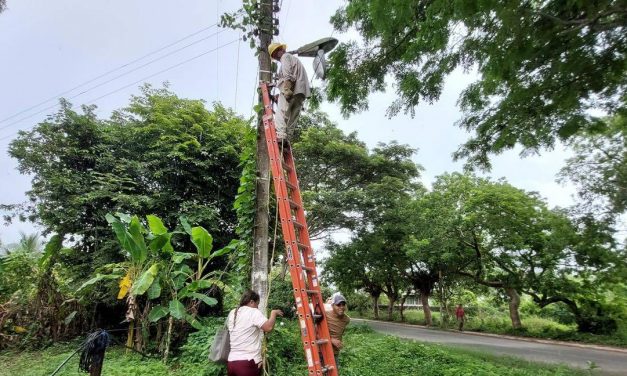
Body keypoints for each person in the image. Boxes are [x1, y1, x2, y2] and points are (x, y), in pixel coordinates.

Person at [227, 290, 284, 376]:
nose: (257, 307)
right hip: (247, 363)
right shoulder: (253, 312)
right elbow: (268, 327)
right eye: (257, 304)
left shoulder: (233, 312)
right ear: (251, 302)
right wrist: (273, 313)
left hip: (232, 362)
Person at [268, 42, 311, 144]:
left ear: (280, 51)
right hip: (301, 92)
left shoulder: (285, 57)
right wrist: (275, 84)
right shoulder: (295, 60)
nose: (276, 58)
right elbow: (292, 75)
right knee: (293, 117)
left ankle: (281, 135)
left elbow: (288, 75)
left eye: (275, 55)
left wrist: (287, 89)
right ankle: (288, 138)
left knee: (281, 112)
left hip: (291, 89)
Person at [324, 293, 350, 366]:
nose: (341, 307)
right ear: (332, 306)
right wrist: (331, 340)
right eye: (338, 305)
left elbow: (340, 334)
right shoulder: (325, 315)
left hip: (335, 353)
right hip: (322, 351)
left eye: (343, 304)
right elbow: (315, 332)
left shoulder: (346, 320)